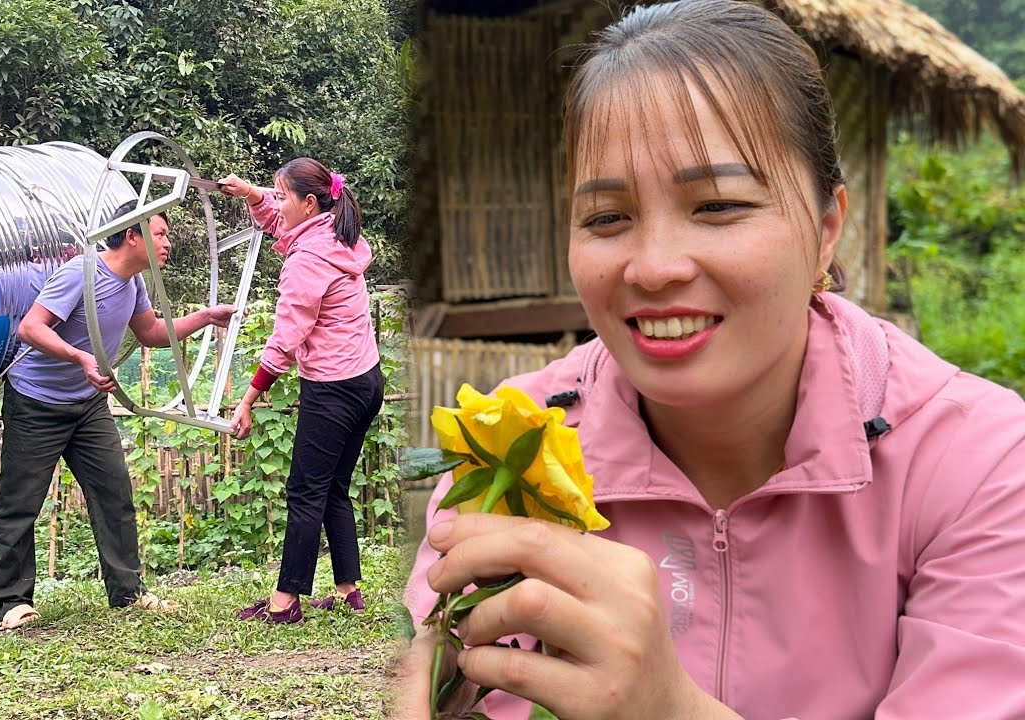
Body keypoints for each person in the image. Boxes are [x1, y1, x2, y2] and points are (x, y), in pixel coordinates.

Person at [398, 1, 1025, 718]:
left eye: (719, 206)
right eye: (607, 218)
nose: (654, 267)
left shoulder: (980, 464)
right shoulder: (511, 438)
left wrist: (667, 709)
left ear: (827, 230)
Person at [0, 199, 236, 630]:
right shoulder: (80, 274)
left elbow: (151, 332)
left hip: (86, 405)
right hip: (36, 402)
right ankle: (12, 603)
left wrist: (205, 317)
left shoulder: (134, 282)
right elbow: (31, 328)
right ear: (132, 234)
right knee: (20, 500)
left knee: (114, 493)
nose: (168, 243)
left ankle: (127, 592)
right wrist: (80, 358)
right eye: (160, 233)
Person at [218, 159, 385, 624]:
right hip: (366, 380)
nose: (276, 203)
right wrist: (252, 193)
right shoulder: (335, 234)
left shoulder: (307, 261)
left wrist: (249, 397)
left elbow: (286, 340)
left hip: (333, 388)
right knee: (334, 487)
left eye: (282, 195)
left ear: (309, 203)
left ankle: (286, 600)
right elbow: (278, 216)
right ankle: (349, 591)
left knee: (305, 490)